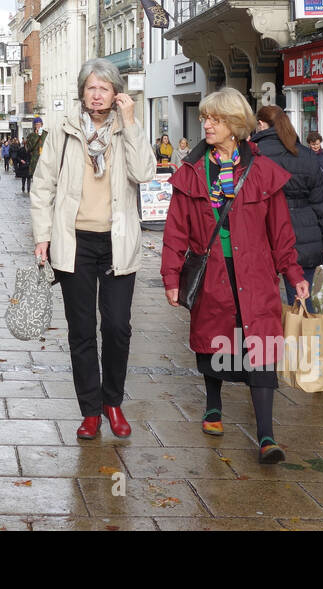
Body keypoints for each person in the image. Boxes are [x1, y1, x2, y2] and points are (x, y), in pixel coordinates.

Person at [160, 88, 308, 465]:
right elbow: (176, 230)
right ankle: (213, 405)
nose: (206, 124)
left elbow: (280, 230)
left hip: (256, 274)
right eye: (206, 118)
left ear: (236, 126)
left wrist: (293, 272)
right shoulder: (192, 171)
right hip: (211, 272)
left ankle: (266, 435)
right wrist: (171, 276)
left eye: (216, 119)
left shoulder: (260, 171)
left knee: (261, 348)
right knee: (214, 339)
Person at [31, 59, 156, 440]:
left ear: (116, 93)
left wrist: (131, 122)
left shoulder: (127, 129)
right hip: (75, 243)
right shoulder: (64, 130)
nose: (97, 94)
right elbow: (43, 185)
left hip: (118, 242)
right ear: (82, 92)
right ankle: (90, 411)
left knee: (118, 327)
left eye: (104, 88)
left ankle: (112, 402)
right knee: (82, 330)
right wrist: (42, 235)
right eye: (91, 88)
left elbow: (144, 173)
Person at [253, 106, 323, 304]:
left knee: (263, 300)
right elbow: (321, 203)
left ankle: (269, 334)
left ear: (261, 124)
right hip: (305, 231)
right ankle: (302, 334)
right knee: (301, 296)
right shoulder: (306, 155)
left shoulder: (256, 154)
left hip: (265, 230)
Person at [23, 119, 46, 195]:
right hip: (34, 159)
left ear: (42, 125)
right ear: (34, 126)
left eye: (39, 124)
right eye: (36, 124)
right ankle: (34, 191)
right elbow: (28, 148)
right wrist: (36, 136)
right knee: (34, 176)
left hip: (44, 159)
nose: (38, 126)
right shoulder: (31, 135)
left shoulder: (46, 134)